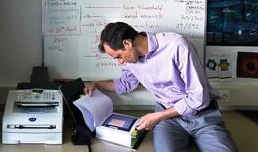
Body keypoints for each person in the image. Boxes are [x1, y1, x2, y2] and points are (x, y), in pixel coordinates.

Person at [85, 22, 238, 152]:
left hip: (202, 115)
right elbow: (126, 84)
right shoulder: (131, 62)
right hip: (169, 120)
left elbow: (198, 97)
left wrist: (157, 117)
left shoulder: (176, 45)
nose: (120, 62)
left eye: (118, 56)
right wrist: (97, 84)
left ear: (127, 43)